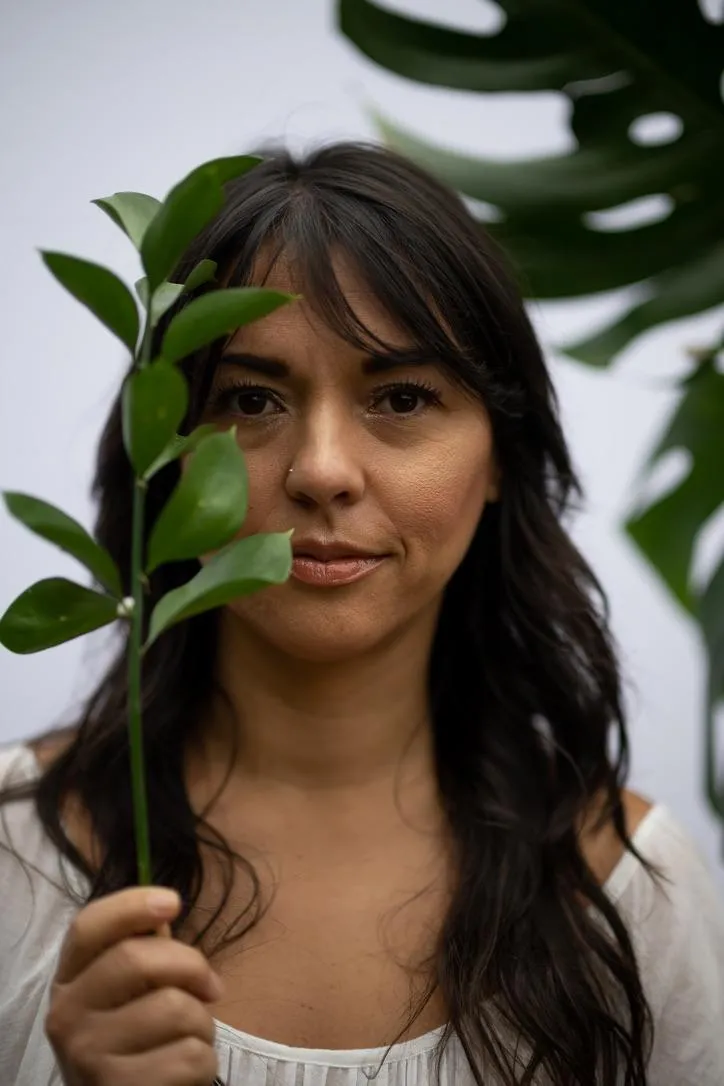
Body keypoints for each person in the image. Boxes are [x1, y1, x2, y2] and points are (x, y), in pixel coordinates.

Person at [0, 142, 722, 1086]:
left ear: (500, 456)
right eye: (250, 399)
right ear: (161, 456)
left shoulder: (630, 891)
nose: (323, 471)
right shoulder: (15, 857)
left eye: (402, 397)